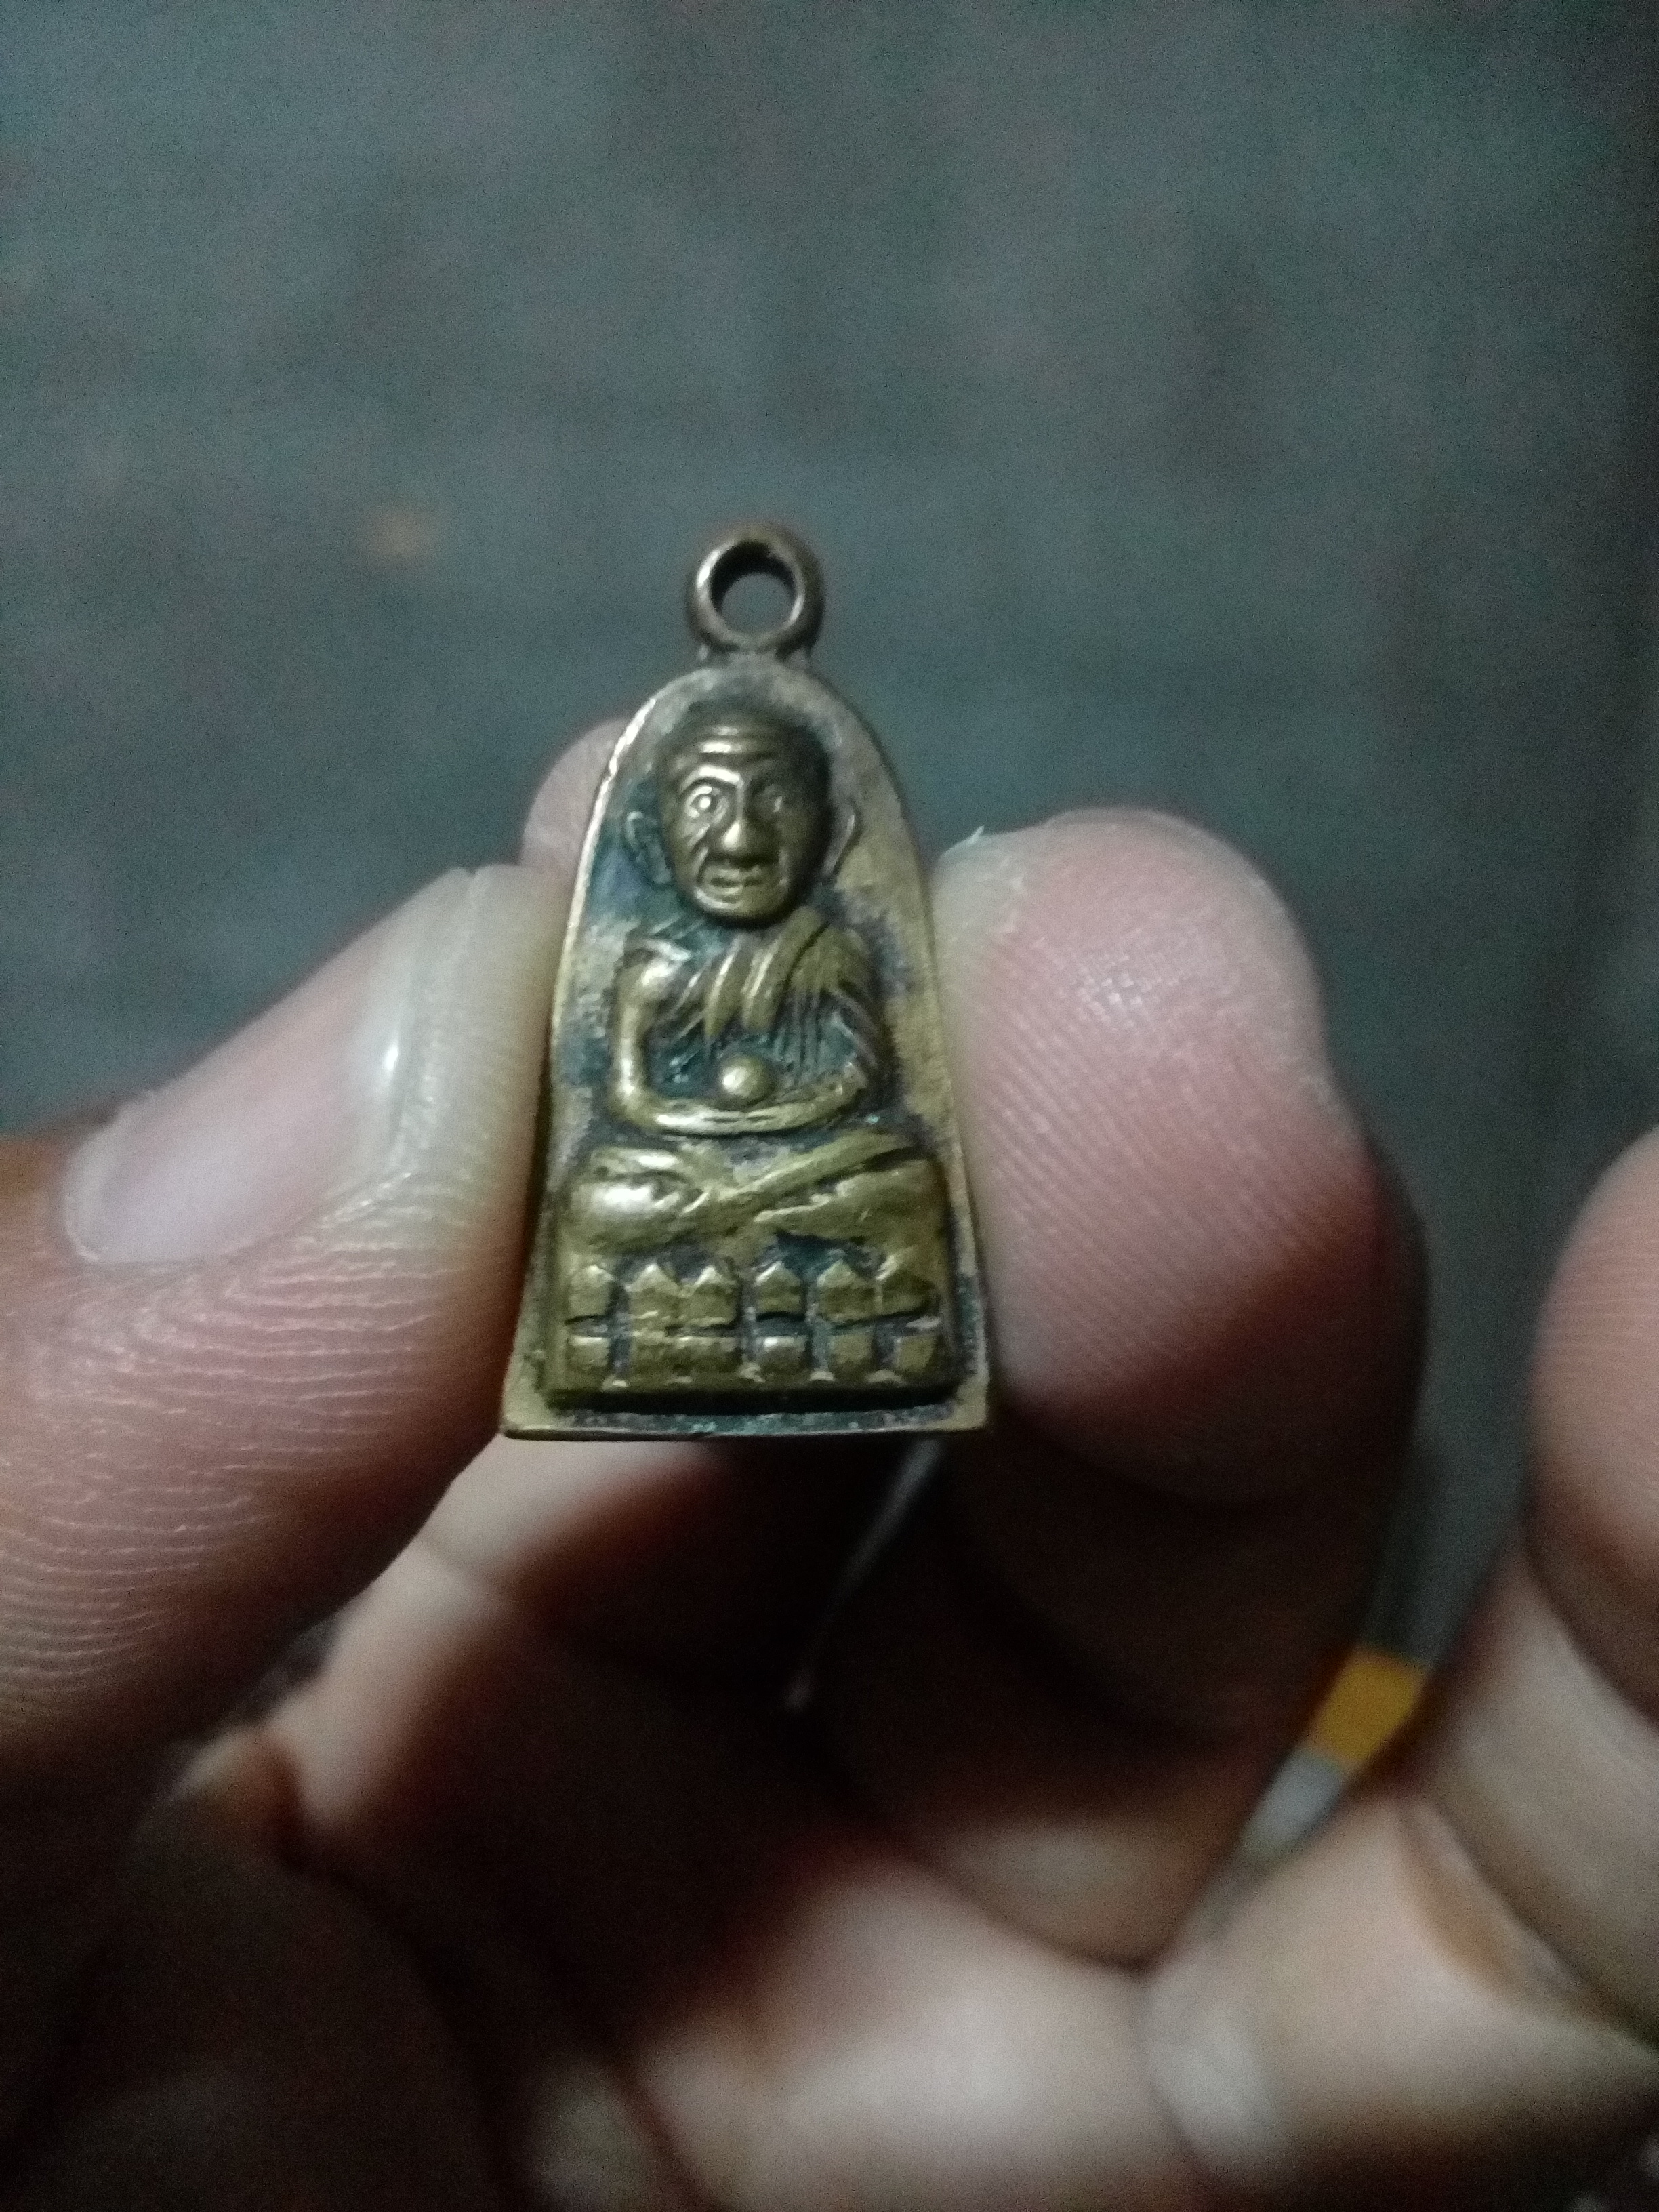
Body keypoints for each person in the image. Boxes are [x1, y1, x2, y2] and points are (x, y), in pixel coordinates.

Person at [1, 721, 1654, 2209]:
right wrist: (714, 1158)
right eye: (707, 809)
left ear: (808, 831)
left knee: (877, 1186)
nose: (734, 838)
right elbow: (637, 1104)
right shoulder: (656, 963)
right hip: (689, 1203)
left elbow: (852, 1100)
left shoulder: (824, 958)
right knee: (627, 1194)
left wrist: (769, 1158)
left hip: (795, 1202)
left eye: (765, 810)